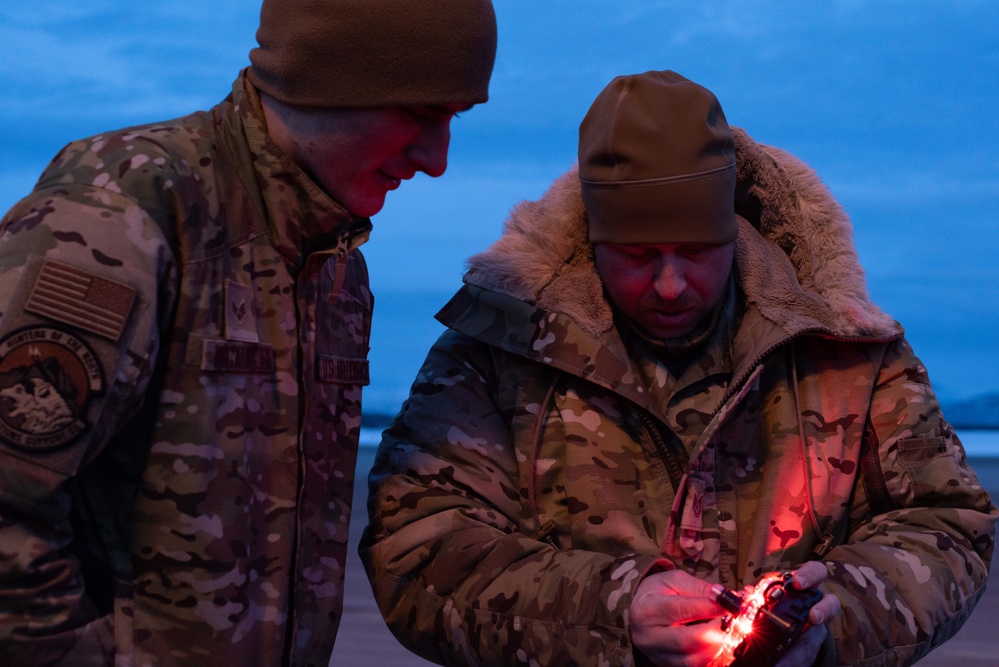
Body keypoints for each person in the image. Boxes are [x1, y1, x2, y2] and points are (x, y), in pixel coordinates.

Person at [359, 70, 997, 666]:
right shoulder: (494, 352)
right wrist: (611, 612)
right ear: (594, 240)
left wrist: (839, 618)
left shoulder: (849, 349)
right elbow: (415, 546)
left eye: (696, 251)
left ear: (734, 232)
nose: (669, 285)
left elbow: (949, 523)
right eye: (638, 255)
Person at [0, 1, 497, 665]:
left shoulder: (336, 267)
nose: (436, 160)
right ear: (327, 78)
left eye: (455, 118)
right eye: (421, 113)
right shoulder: (126, 208)